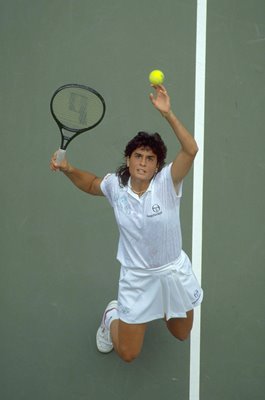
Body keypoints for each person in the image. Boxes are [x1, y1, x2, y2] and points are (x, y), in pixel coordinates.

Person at [50, 84, 203, 363]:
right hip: (137, 277)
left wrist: (168, 114)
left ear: (157, 165)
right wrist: (69, 170)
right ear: (128, 159)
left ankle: (156, 307)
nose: (143, 163)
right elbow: (93, 184)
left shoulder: (168, 183)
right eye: (138, 156)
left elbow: (190, 150)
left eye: (150, 158)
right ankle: (112, 316)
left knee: (181, 332)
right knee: (128, 353)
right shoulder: (116, 186)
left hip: (172, 272)